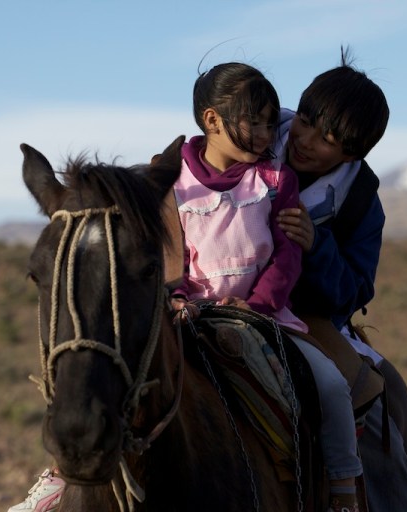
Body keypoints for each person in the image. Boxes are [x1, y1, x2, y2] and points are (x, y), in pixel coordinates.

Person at [169, 61, 363, 512]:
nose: (264, 134)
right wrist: (177, 298)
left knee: (332, 385)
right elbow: (168, 255)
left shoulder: (276, 180)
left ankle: (342, 490)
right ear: (212, 119)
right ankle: (65, 480)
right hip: (189, 317)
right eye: (252, 121)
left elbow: (286, 254)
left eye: (268, 122)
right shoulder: (172, 184)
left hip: (265, 317)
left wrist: (259, 305)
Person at [274, 47, 407, 511]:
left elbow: (356, 290)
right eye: (304, 119)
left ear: (351, 153)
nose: (304, 139)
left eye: (328, 138)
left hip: (304, 319)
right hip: (207, 295)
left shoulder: (361, 202)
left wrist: (315, 248)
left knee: (378, 400)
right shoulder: (253, 134)